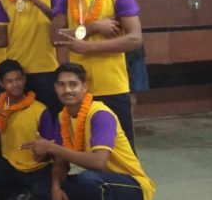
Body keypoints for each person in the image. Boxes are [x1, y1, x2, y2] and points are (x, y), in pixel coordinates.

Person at [51, 0, 142, 148]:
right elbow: (56, 37)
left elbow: (135, 39)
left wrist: (89, 47)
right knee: (88, 146)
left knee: (122, 147)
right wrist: (93, 28)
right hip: (80, 90)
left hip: (113, 87)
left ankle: (130, 182)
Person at [21, 63, 155, 200]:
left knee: (90, 180)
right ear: (55, 88)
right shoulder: (63, 116)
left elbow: (98, 162)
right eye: (61, 85)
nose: (67, 90)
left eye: (73, 84)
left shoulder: (100, 114)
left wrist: (51, 147)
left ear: (84, 87)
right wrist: (56, 188)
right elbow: (61, 162)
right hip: (99, 180)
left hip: (132, 186)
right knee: (42, 188)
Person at [0, 59, 56, 199]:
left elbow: (52, 149)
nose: (15, 84)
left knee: (43, 193)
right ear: (1, 84)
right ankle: (17, 193)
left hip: (37, 168)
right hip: (9, 164)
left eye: (18, 79)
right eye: (10, 81)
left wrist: (41, 153)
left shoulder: (41, 110)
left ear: (24, 79)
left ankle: (20, 192)